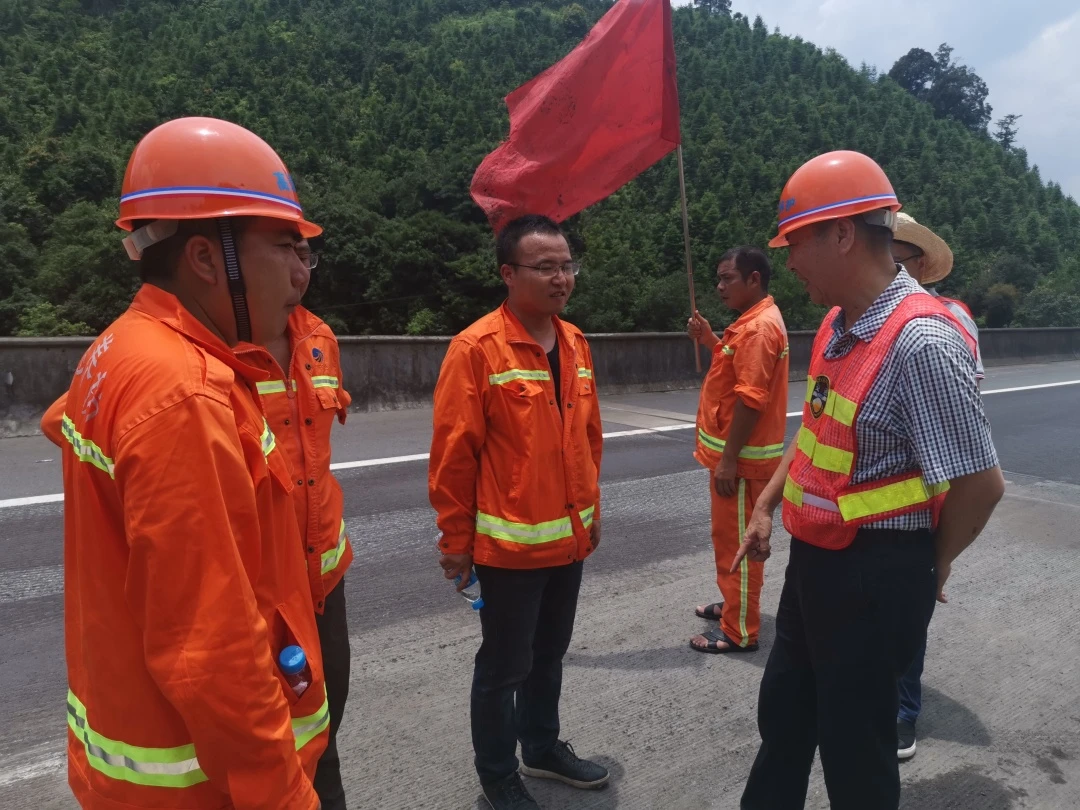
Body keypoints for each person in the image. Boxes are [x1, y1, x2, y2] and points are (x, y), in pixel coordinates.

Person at [41, 117, 330, 810]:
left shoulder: (121, 350)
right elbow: (214, 648)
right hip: (199, 783)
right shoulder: (184, 393)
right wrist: (285, 798)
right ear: (206, 258)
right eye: (286, 248)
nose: (302, 274)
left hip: (142, 750)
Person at [734, 150, 1005, 810]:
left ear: (842, 234)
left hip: (879, 573)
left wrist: (927, 567)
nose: (789, 261)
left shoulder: (922, 342)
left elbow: (981, 484)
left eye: (795, 242)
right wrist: (768, 505)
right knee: (786, 720)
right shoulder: (837, 322)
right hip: (816, 564)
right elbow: (819, 430)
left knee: (856, 753)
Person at [429, 214, 607, 810]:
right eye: (546, 267)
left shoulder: (576, 342)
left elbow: (589, 439)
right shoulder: (476, 349)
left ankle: (542, 746)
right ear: (508, 274)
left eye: (567, 266)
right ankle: (498, 771)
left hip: (567, 540)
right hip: (508, 549)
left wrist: (590, 513)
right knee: (504, 666)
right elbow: (454, 456)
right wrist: (455, 541)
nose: (562, 278)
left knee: (549, 653)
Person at [235, 295, 353, 805]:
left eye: (307, 254)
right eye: (284, 251)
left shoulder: (318, 338)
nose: (299, 268)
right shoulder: (208, 346)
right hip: (258, 588)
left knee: (325, 727)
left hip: (323, 574)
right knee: (263, 740)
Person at [890, 212, 983, 760]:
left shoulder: (942, 325)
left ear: (920, 264)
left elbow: (962, 437)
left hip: (927, 487)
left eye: (894, 259)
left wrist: (943, 551)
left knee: (910, 600)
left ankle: (903, 711)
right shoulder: (852, 317)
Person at [685, 247, 789, 654]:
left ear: (754, 280)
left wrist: (728, 460)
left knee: (739, 543)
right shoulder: (748, 324)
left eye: (728, 278)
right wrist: (710, 338)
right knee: (726, 537)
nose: (720, 285)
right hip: (734, 462)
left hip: (742, 465)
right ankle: (733, 605)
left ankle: (739, 631)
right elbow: (733, 371)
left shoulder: (759, 328)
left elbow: (750, 399)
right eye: (719, 277)